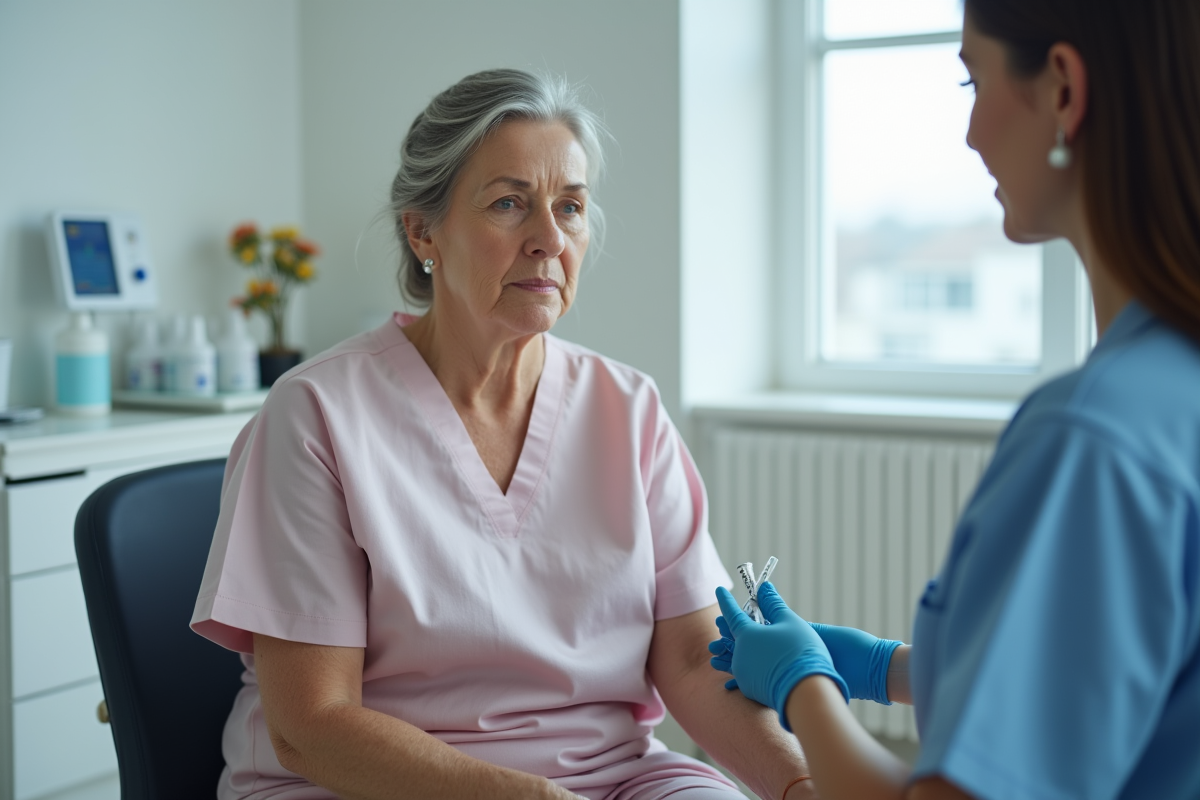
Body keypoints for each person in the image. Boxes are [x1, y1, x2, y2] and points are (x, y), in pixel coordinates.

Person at [191, 69, 816, 800]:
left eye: (571, 207)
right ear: (423, 230)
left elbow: (688, 659)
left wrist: (803, 783)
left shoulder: (628, 408)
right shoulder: (317, 414)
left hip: (610, 774)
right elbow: (313, 722)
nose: (549, 239)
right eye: (510, 204)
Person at [708, 2, 1200, 799]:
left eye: (974, 80)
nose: (969, 134)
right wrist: (884, 669)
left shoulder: (1094, 441)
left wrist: (806, 688)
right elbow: (1109, 677)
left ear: (1064, 91)